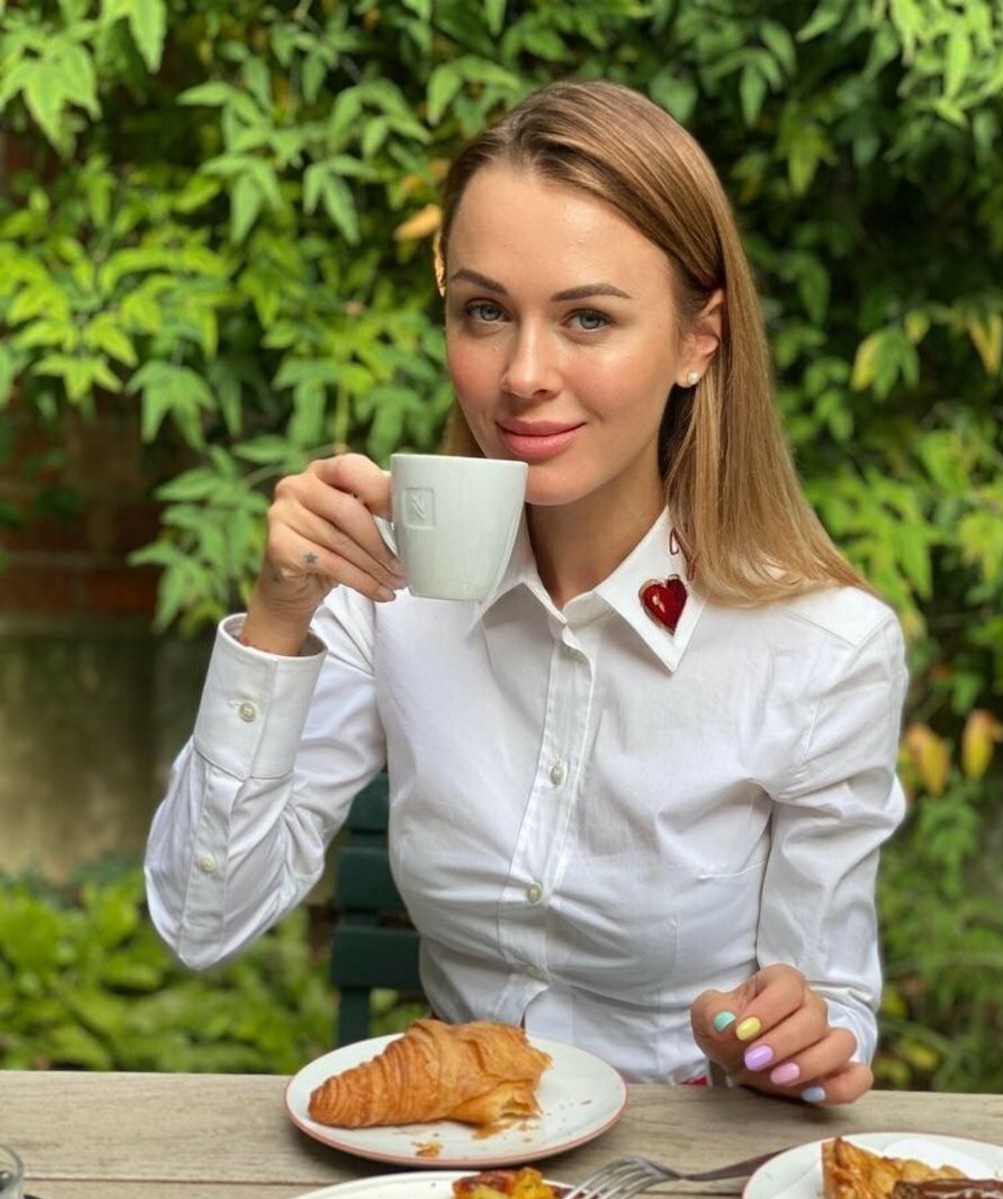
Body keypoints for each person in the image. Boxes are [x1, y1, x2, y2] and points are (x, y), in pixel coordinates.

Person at [145, 79, 908, 1101]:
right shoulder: (385, 585)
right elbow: (202, 923)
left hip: (677, 1164)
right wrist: (278, 623)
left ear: (699, 337)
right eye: (486, 311)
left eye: (588, 317)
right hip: (451, 1144)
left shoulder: (825, 648)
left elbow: (831, 1009)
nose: (523, 373)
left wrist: (775, 1042)